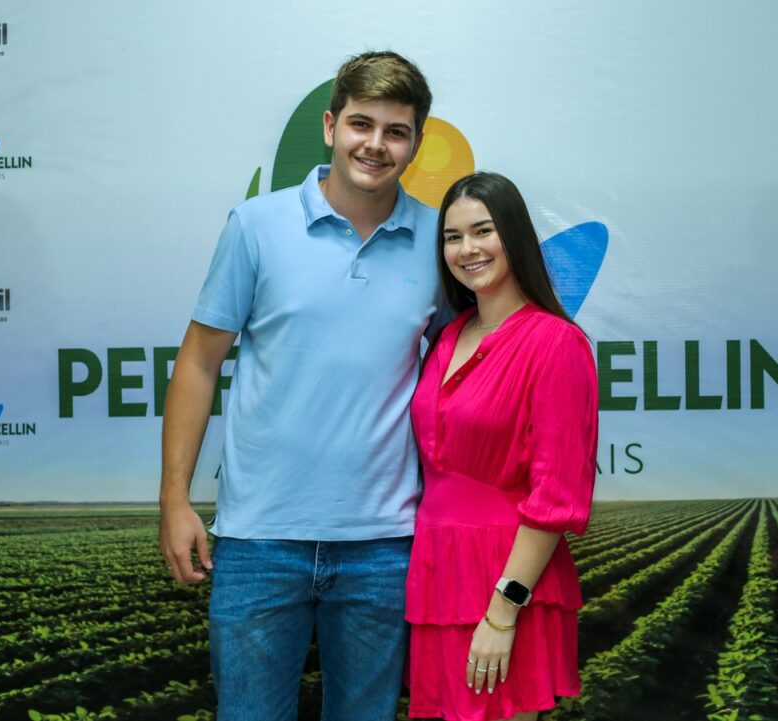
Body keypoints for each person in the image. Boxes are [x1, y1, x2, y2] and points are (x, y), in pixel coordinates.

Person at [158, 51, 443, 721]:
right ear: (330, 125)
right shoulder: (256, 226)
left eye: (396, 131)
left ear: (415, 143)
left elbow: (468, 368)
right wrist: (174, 498)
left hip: (385, 545)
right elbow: (198, 363)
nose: (375, 145)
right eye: (361, 124)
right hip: (259, 540)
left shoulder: (441, 240)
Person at [405, 172, 598, 721]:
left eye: (482, 231)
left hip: (506, 581)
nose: (467, 249)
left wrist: (503, 611)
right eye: (453, 237)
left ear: (514, 236)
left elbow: (557, 495)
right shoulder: (449, 336)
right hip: (438, 575)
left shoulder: (556, 343)